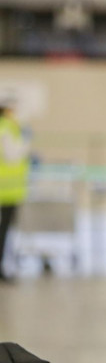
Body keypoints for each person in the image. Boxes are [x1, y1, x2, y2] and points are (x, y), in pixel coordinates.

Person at [0, 101, 28, 282]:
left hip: (8, 191)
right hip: (6, 191)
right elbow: (13, 155)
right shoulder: (6, 129)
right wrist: (26, 141)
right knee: (3, 232)